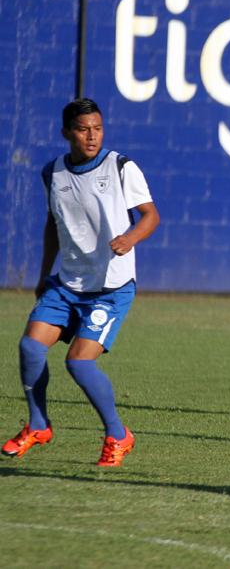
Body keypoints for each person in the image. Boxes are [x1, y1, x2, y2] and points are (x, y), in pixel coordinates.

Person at [2, 98, 160, 466]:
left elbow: (150, 216)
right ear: (66, 133)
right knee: (29, 347)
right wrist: (44, 274)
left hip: (110, 287)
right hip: (67, 283)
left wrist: (130, 238)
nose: (92, 136)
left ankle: (118, 435)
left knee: (79, 363)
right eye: (83, 129)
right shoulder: (52, 172)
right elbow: (53, 225)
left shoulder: (121, 166)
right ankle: (38, 425)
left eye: (98, 128)